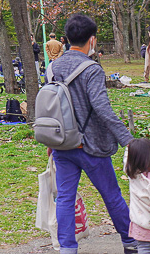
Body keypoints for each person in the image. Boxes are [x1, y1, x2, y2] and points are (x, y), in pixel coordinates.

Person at [50, 14, 136, 254]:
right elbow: (102, 108)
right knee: (111, 195)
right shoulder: (92, 69)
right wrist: (128, 140)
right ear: (92, 40)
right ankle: (130, 241)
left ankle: (68, 248)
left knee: (65, 198)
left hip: (62, 143)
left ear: (66, 39)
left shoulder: (53, 67)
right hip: (92, 145)